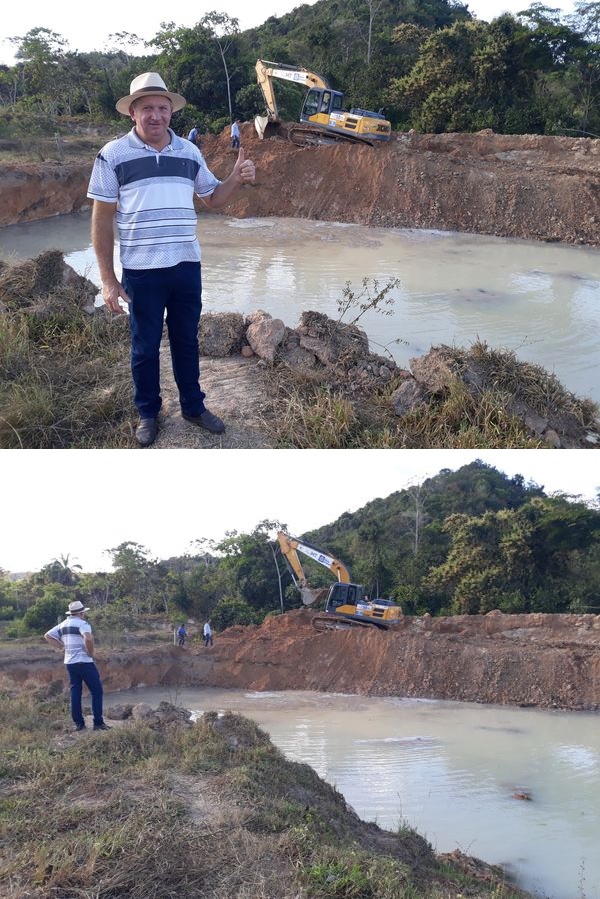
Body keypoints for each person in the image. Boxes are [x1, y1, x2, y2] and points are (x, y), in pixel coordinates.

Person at [87, 73, 256, 447]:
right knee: (145, 347)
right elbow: (101, 219)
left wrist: (236, 178)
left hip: (185, 266)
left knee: (186, 341)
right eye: (147, 108)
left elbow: (213, 198)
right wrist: (108, 279)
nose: (156, 115)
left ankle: (193, 407)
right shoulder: (112, 155)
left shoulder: (189, 152)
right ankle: (148, 413)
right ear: (132, 112)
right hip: (141, 270)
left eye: (162, 108)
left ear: (171, 112)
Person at [44, 600, 110, 732]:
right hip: (84, 662)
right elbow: (88, 638)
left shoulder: (62, 625)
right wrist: (90, 653)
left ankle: (79, 724)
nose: (84, 614)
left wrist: (62, 647)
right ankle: (98, 723)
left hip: (70, 663)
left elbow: (47, 636)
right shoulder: (82, 624)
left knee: (75, 692)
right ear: (81, 613)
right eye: (84, 612)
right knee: (96, 691)